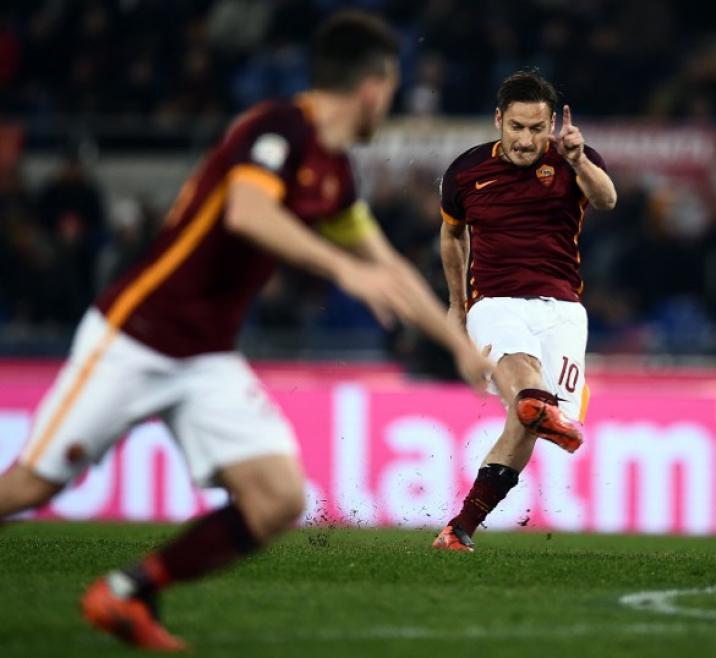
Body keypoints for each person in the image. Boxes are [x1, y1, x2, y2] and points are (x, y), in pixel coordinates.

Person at [0, 11, 491, 651]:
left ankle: (125, 594)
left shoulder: (335, 173)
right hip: (136, 336)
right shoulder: (276, 128)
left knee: (277, 497)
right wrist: (343, 268)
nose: (390, 102)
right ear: (374, 85)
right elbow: (249, 212)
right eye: (392, 88)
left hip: (204, 357)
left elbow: (389, 267)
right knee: (34, 485)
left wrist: (457, 343)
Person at [433, 70, 617, 552]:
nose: (525, 139)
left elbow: (608, 199)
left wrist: (579, 162)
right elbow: (453, 235)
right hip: (494, 301)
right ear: (499, 120)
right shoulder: (465, 172)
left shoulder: (573, 159)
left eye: (537, 129)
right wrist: (457, 303)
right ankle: (539, 403)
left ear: (552, 123)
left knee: (527, 422)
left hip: (564, 310)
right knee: (527, 384)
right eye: (516, 127)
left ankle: (459, 529)